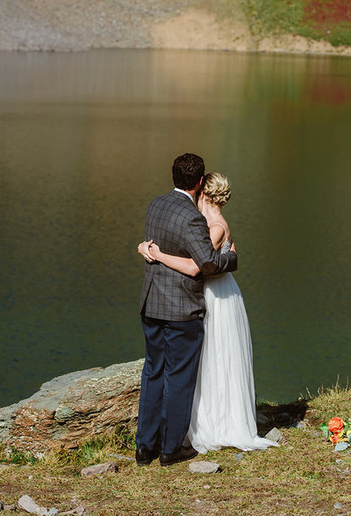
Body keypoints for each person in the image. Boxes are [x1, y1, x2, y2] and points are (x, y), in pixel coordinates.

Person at [139, 172, 277, 454]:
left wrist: (156, 253)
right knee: (206, 361)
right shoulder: (208, 223)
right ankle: (188, 425)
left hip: (214, 296)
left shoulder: (214, 227)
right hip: (216, 292)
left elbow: (196, 267)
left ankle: (212, 424)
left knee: (213, 358)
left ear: (203, 194)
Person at [135, 153, 238, 468]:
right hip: (181, 309)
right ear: (198, 183)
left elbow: (153, 246)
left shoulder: (156, 205)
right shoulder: (192, 216)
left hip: (152, 303)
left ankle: (144, 447)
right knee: (178, 377)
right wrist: (231, 256)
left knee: (153, 372)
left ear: (174, 177)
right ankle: (171, 449)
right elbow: (205, 263)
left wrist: (148, 250)